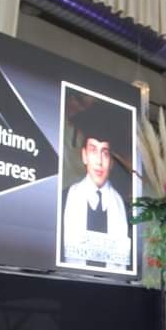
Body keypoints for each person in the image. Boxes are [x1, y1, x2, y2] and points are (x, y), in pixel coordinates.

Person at [62, 101, 131, 270]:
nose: (99, 161)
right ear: (84, 155)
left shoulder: (125, 207)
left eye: (105, 153)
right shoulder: (64, 199)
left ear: (112, 162)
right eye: (93, 150)